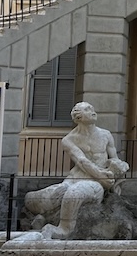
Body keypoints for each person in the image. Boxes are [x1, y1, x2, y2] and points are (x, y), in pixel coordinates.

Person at [23, 102, 129, 240]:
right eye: (87, 109)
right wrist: (101, 175)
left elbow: (115, 159)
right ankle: (44, 216)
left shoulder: (105, 135)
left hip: (95, 183)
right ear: (78, 117)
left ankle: (64, 229)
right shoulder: (69, 139)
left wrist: (118, 172)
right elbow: (81, 161)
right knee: (33, 199)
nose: (92, 111)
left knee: (74, 193)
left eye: (92, 107)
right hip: (74, 178)